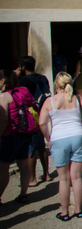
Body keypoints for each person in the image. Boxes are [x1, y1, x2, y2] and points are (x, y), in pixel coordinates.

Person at [38, 72, 82, 221]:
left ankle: (64, 212)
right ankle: (79, 209)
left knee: (63, 179)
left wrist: (48, 138)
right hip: (77, 137)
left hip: (58, 138)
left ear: (56, 85)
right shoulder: (78, 99)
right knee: (76, 177)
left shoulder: (49, 101)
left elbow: (42, 123)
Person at [0, 70, 35, 205]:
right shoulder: (21, 93)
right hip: (24, 134)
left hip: (10, 136)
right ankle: (23, 194)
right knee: (23, 166)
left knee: (3, 169)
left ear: (3, 80)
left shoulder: (4, 97)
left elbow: (3, 120)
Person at [18, 56, 51, 187]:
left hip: (31, 116)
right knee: (41, 145)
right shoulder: (43, 78)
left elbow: (20, 98)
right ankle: (46, 174)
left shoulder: (23, 81)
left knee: (31, 148)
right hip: (43, 112)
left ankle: (32, 178)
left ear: (23, 67)